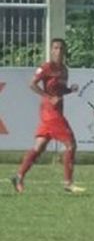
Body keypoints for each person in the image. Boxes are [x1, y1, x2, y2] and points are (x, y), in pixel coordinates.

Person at [10, 38, 85, 194]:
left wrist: (70, 90)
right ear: (51, 51)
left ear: (65, 51)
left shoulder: (64, 70)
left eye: (61, 48)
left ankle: (19, 176)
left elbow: (60, 90)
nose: (58, 51)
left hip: (54, 111)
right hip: (50, 112)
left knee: (39, 147)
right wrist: (48, 97)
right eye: (56, 48)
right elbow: (32, 84)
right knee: (71, 144)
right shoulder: (46, 67)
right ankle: (68, 183)